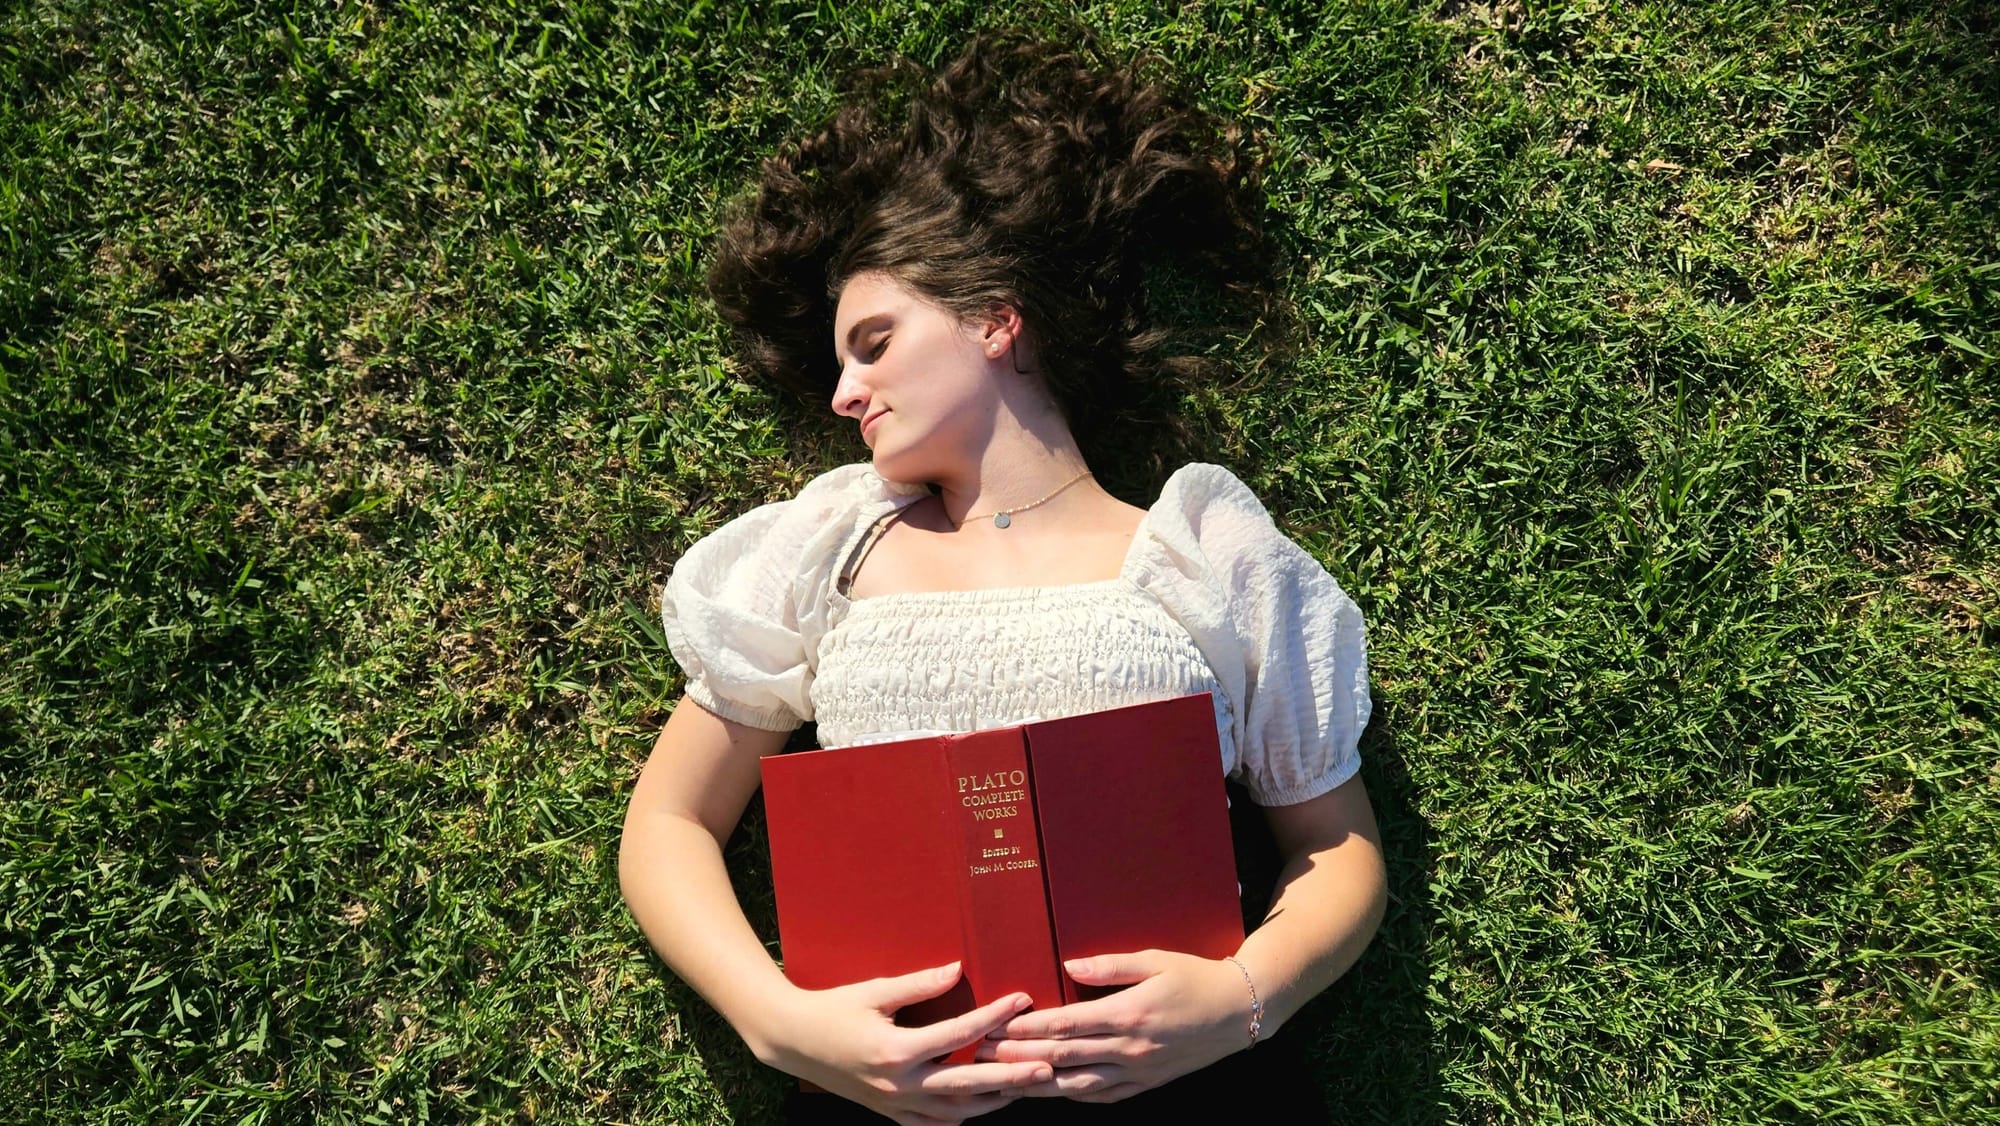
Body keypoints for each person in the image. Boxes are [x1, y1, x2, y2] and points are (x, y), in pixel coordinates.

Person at [619, 29, 1388, 1126]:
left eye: (872, 342)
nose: (844, 392)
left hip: (1188, 1096)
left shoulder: (1201, 553)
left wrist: (1237, 1001)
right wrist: (778, 1019)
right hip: (886, 1100)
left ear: (992, 316)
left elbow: (1335, 847)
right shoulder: (830, 545)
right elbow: (669, 823)